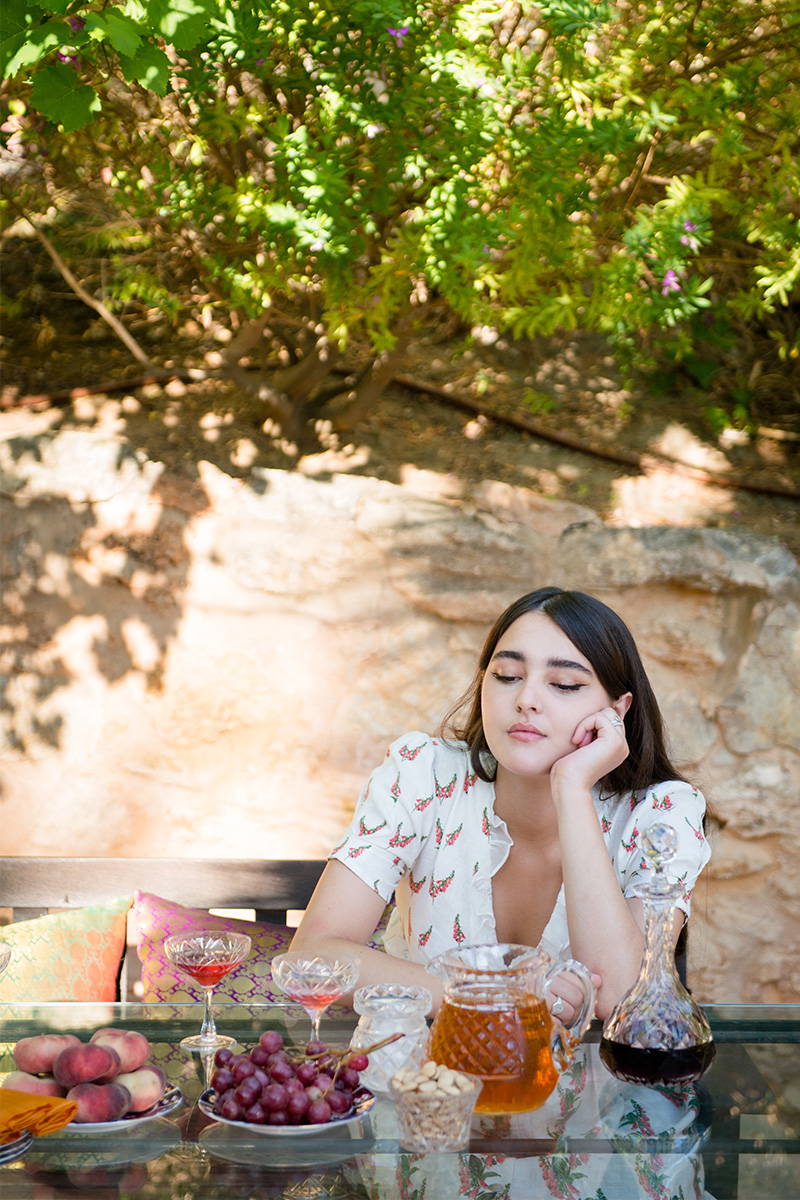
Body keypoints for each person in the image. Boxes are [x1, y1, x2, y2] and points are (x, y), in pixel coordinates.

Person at [290, 587, 711, 1020]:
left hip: (591, 1085)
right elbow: (313, 958)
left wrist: (570, 788)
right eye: (507, 676)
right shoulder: (423, 775)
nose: (526, 699)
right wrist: (501, 998)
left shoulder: (662, 815)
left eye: (565, 684)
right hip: (425, 1081)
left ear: (617, 710)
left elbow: (624, 999)